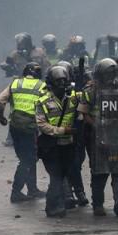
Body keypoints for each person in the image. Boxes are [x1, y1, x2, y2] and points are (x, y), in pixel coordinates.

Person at [78, 58, 118, 216]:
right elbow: (83, 113)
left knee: (116, 169)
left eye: (113, 74)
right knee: (99, 171)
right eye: (108, 74)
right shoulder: (90, 90)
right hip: (95, 136)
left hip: (114, 135)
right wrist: (96, 125)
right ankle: (98, 205)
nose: (111, 78)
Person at [0, 62, 47, 203]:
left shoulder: (15, 83)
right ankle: (16, 192)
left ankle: (32, 189)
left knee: (29, 157)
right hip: (30, 128)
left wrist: (2, 118)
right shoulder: (42, 86)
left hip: (15, 128)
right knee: (28, 160)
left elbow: (0, 101)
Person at [35, 65, 79, 217]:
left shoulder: (73, 97)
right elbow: (42, 125)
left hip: (68, 145)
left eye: (63, 81)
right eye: (58, 82)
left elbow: (86, 100)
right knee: (56, 176)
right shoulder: (43, 101)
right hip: (51, 146)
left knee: (63, 174)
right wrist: (62, 131)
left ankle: (52, 206)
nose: (61, 85)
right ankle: (56, 206)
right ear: (51, 83)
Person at [55, 60, 90, 208]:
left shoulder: (77, 90)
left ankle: (78, 193)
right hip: (59, 132)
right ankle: (69, 193)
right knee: (65, 164)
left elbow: (83, 107)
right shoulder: (50, 92)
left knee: (75, 164)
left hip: (75, 132)